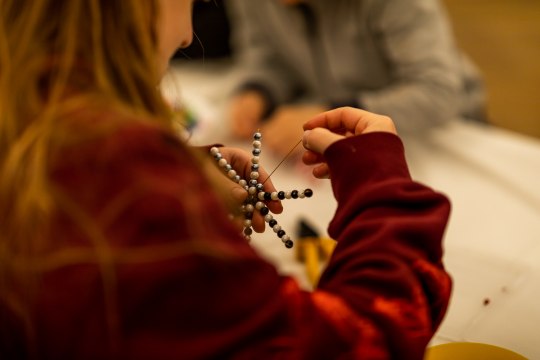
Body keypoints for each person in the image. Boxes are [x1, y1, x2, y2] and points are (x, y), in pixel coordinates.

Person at [0, 0, 452, 359]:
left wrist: (180, 171)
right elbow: (358, 343)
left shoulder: (29, 128)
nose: (187, 34)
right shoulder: (135, 195)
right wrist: (382, 184)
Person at [227, 0, 487, 156]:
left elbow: (437, 92)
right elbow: (269, 57)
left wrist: (332, 117)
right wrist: (258, 91)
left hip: (445, 134)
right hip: (341, 123)